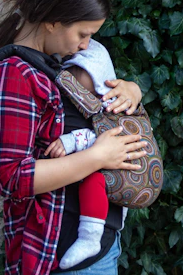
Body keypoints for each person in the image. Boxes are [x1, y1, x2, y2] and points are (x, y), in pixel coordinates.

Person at [0, 0, 146, 275]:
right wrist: (97, 156)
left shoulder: (49, 65)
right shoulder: (13, 74)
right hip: (60, 255)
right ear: (54, 21)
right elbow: (12, 178)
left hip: (92, 251)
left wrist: (131, 90)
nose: (85, 45)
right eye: (83, 34)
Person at [44, 38, 133, 270]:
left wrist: (71, 140)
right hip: (79, 238)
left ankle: (89, 238)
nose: (83, 98)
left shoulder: (112, 108)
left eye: (91, 92)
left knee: (93, 181)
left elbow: (107, 138)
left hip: (97, 243)